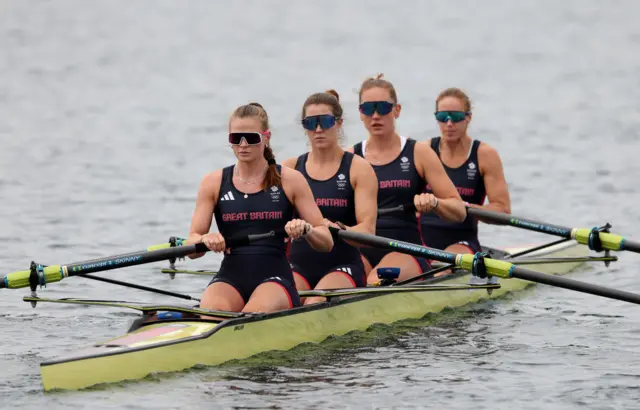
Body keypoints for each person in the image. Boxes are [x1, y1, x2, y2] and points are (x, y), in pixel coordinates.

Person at [187, 102, 334, 313]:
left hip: (275, 278)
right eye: (236, 139)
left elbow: (326, 241)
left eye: (251, 138)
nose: (243, 144)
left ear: (266, 137)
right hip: (230, 275)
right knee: (211, 314)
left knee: (252, 316)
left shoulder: (291, 180)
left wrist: (307, 230)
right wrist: (204, 240)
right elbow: (192, 244)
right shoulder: (213, 182)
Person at [349, 74, 466, 284]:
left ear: (397, 110)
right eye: (368, 109)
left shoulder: (418, 153)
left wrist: (436, 203)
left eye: (383, 108)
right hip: (362, 248)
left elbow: (458, 210)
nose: (375, 115)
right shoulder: (351, 157)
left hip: (407, 250)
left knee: (374, 281)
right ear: (360, 113)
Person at [283, 90, 378, 304]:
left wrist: (333, 229)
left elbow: (368, 231)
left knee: (313, 302)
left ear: (338, 123)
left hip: (343, 266)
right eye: (310, 123)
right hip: (298, 265)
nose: (318, 130)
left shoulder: (358, 168)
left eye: (325, 121)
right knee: (278, 302)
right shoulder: (290, 168)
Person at [420, 88, 511, 255]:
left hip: (462, 241)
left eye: (456, 117)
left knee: (444, 264)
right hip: (421, 239)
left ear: (468, 117)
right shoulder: (424, 151)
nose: (449, 124)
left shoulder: (484, 155)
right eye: (442, 117)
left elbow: (503, 210)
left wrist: (466, 207)